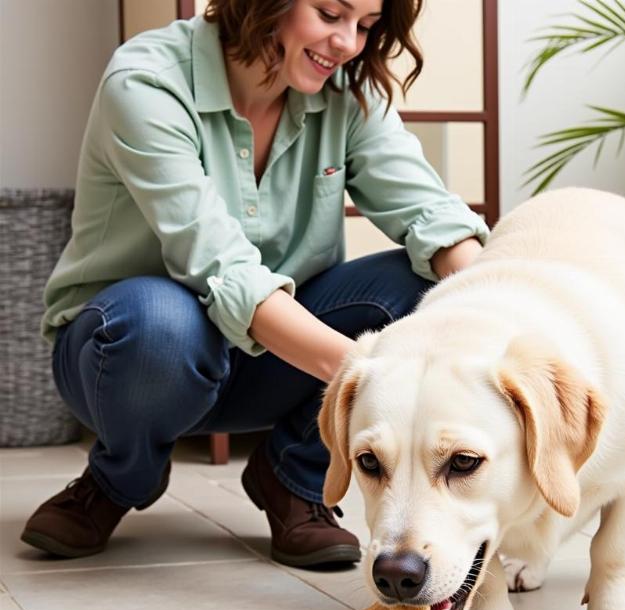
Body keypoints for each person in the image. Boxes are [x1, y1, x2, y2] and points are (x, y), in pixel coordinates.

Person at [21, 0, 488, 568]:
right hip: (129, 357)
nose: (347, 43)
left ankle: (292, 477)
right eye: (329, 13)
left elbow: (431, 216)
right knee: (161, 321)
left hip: (269, 362)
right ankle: (119, 476)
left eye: (364, 26)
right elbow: (222, 265)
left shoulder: (349, 93)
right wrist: (375, 378)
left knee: (418, 286)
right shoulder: (146, 81)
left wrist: (497, 322)